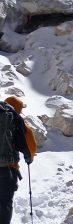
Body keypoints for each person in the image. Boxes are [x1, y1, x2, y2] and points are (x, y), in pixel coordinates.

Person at [1, 96, 35, 224]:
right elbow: (29, 147)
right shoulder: (16, 119)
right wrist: (29, 158)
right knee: (4, 203)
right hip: (7, 170)